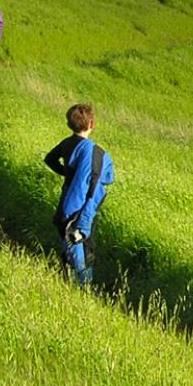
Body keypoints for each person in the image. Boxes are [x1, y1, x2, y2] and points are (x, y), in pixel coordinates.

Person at [43, 103, 114, 286]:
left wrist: (66, 173)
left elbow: (49, 159)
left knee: (68, 248)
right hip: (80, 209)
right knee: (84, 248)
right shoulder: (92, 151)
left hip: (65, 202)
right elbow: (102, 180)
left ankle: (67, 284)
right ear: (92, 124)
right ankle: (83, 289)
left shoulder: (67, 144)